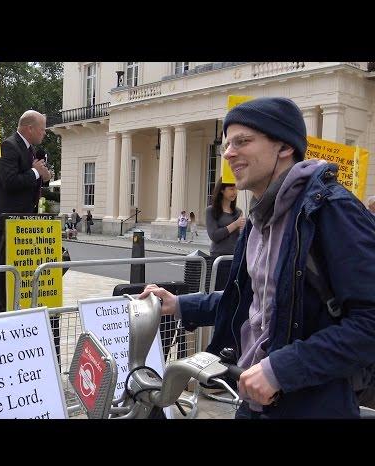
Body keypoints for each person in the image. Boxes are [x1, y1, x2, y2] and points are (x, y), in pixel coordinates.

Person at [141, 96, 375, 418]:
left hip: (311, 405)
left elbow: (368, 323)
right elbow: (254, 302)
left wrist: (281, 369)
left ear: (284, 147)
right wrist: (180, 304)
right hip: (253, 403)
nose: (228, 153)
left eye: (243, 141)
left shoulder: (331, 210)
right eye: (226, 144)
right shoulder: (259, 218)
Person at [0, 109, 51, 313]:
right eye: (42, 129)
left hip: (26, 220)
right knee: (5, 270)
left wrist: (42, 174)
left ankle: (19, 306)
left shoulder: (30, 151)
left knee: (21, 268)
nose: (44, 133)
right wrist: (35, 172)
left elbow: (32, 179)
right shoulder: (8, 146)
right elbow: (10, 182)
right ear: (29, 128)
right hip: (9, 220)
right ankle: (3, 309)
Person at [206, 178, 245, 289]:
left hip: (235, 257)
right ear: (222, 190)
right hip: (219, 258)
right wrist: (235, 224)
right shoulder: (211, 211)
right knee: (219, 291)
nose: (234, 192)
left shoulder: (238, 212)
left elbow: (240, 237)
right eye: (231, 189)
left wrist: (243, 228)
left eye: (236, 189)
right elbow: (214, 236)